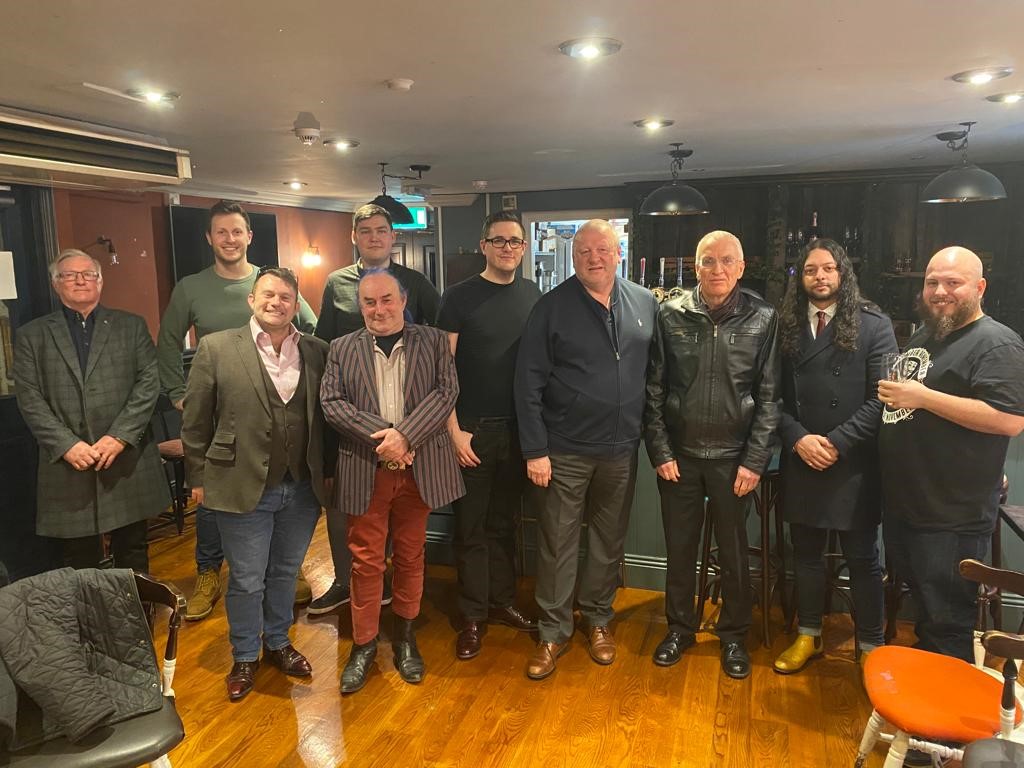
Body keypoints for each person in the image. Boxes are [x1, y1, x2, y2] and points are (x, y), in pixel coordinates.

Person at [158, 200, 317, 621]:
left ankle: (287, 566)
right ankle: (209, 572)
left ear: (249, 236)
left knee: (280, 487)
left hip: (272, 403)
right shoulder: (191, 287)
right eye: (221, 232)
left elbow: (312, 328)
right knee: (214, 500)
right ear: (210, 238)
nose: (230, 239)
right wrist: (179, 393)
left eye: (237, 231)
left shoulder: (272, 282)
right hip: (217, 409)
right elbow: (168, 342)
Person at [180, 266, 334, 702]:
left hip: (300, 487)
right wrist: (196, 477)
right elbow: (195, 421)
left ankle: (278, 642)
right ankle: (245, 653)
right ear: (252, 299)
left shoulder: (317, 351)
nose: (276, 303)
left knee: (285, 572)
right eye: (268, 295)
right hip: (239, 481)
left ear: (295, 303)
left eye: (286, 297)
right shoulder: (216, 348)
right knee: (247, 578)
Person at [514, 219, 657, 680]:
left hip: (621, 449)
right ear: (572, 258)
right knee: (558, 542)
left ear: (618, 252)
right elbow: (528, 382)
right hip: (564, 450)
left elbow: (653, 376)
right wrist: (535, 450)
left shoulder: (643, 302)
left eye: (601, 250)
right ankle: (553, 631)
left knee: (608, 541)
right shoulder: (550, 307)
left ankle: (598, 620)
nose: (593, 258)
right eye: (582, 252)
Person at [644, 230, 780, 680]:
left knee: (735, 554)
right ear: (695, 266)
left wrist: (754, 460)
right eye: (708, 261)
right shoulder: (670, 314)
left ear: (741, 268)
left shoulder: (763, 317)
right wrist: (660, 450)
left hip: (734, 460)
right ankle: (680, 629)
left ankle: (734, 636)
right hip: (678, 458)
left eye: (726, 261)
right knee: (680, 550)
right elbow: (655, 389)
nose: (717, 270)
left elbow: (768, 396)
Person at [878, 246, 1024, 663]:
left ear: (979, 288)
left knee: (946, 625)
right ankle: (927, 703)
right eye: (932, 282)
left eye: (952, 283)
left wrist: (923, 398)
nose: (940, 291)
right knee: (926, 615)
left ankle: (948, 727)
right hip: (911, 507)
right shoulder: (932, 333)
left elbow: (1009, 419)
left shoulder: (996, 343)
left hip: (950, 515)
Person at [321, 269, 463, 694]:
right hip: (366, 469)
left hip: (420, 470)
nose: (378, 310)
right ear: (359, 305)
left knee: (410, 555)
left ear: (403, 300)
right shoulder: (341, 348)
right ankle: (363, 644)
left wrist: (406, 436)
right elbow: (332, 403)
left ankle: (404, 636)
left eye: (386, 300)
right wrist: (386, 438)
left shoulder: (434, 341)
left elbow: (446, 392)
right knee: (364, 562)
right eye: (368, 302)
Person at [309, 203, 441, 615]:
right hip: (352, 418)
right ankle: (346, 582)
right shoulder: (336, 283)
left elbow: (441, 344)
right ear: (354, 236)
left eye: (381, 230)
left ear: (392, 236)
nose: (374, 237)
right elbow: (323, 344)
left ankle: (392, 590)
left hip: (411, 423)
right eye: (365, 230)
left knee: (402, 517)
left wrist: (408, 432)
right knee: (347, 502)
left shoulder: (416, 283)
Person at [774, 238, 897, 673]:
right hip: (801, 455)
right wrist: (798, 438)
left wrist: (837, 442)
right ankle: (807, 635)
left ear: (841, 274)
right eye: (810, 270)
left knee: (863, 558)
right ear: (800, 277)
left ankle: (871, 644)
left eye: (828, 269)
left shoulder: (874, 324)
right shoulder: (784, 323)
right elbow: (772, 396)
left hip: (854, 462)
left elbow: (884, 398)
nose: (820, 277)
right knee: (804, 554)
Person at [13, 249, 168, 572]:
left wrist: (120, 436)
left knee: (134, 549)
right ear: (56, 284)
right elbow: (29, 398)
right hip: (69, 463)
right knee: (80, 558)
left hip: (126, 457)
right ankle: (91, 620)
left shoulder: (131, 326)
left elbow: (148, 384)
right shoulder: (32, 336)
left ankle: (136, 616)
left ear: (100, 281)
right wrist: (66, 445)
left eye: (88, 274)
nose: (80, 280)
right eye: (70, 275)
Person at [437, 210, 540, 660]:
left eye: (514, 241)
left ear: (523, 247)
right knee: (472, 528)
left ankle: (501, 602)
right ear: (484, 246)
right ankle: (473, 614)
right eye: (498, 241)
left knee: (504, 524)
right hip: (472, 433)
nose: (507, 248)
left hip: (518, 432)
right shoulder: (458, 298)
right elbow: (442, 374)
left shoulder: (534, 296)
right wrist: (454, 432)